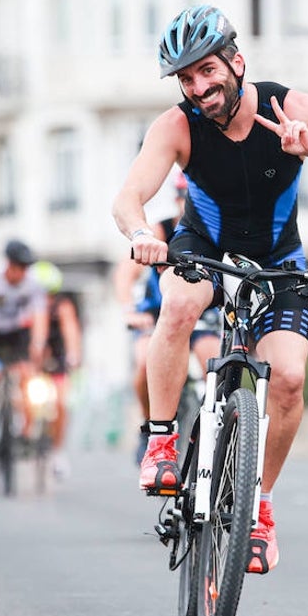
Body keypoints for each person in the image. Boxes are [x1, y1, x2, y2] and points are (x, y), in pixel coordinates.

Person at [113, 4, 308, 573]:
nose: (198, 87)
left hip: (277, 258)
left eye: (207, 71)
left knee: (288, 378)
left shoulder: (288, 106)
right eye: (186, 79)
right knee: (180, 302)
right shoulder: (176, 126)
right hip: (205, 248)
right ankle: (163, 442)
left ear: (237, 63)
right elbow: (128, 197)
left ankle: (259, 509)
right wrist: (142, 233)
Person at [113, 174, 221, 465]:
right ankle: (150, 426)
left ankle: (215, 432)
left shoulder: (218, 232)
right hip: (156, 315)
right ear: (177, 200)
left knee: (216, 367)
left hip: (202, 316)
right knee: (145, 363)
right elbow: (126, 272)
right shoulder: (161, 230)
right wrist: (129, 309)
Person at [0, 239, 49, 453]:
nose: (22, 273)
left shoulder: (32, 283)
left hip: (18, 335)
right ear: (8, 264)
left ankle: (25, 433)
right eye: (19, 267)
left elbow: (39, 316)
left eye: (26, 268)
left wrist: (38, 344)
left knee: (27, 378)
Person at [32, 260, 81, 479]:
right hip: (34, 363)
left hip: (57, 361)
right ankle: (21, 431)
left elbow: (71, 331)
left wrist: (73, 355)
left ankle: (58, 451)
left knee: (61, 403)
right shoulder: (27, 306)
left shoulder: (63, 306)